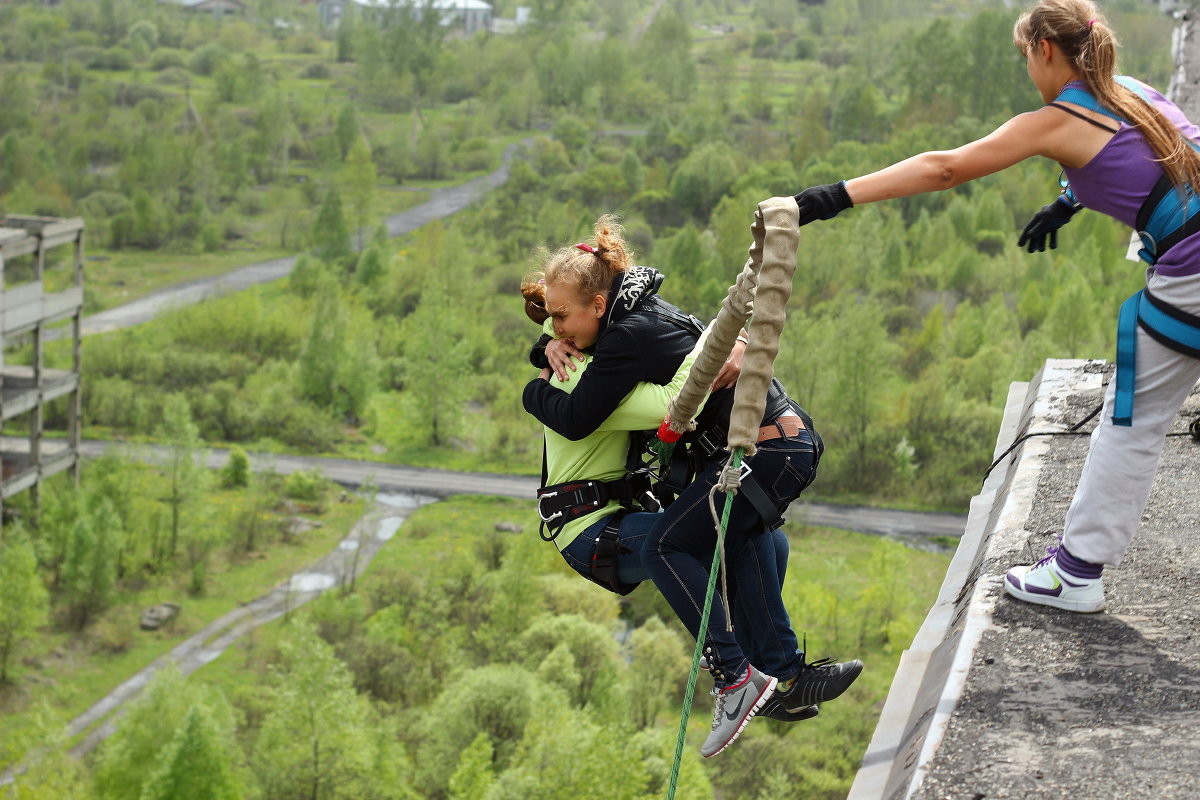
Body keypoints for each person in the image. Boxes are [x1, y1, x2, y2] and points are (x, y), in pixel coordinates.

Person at [789, 0, 1200, 614]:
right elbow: (1153, 158)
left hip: (1192, 271)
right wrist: (1069, 199)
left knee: (1132, 418)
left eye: (1024, 56)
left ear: (1043, 49)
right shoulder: (1130, 91)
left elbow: (945, 168)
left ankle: (1076, 572)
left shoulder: (1052, 120)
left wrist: (832, 197)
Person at [522, 217, 862, 758]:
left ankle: (762, 677)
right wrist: (718, 347)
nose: (556, 330)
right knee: (710, 541)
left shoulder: (609, 348)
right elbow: (658, 403)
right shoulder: (591, 359)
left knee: (722, 539)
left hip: (650, 497)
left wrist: (538, 364)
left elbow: (578, 372)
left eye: (562, 318)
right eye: (552, 321)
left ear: (600, 306)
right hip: (592, 526)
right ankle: (757, 679)